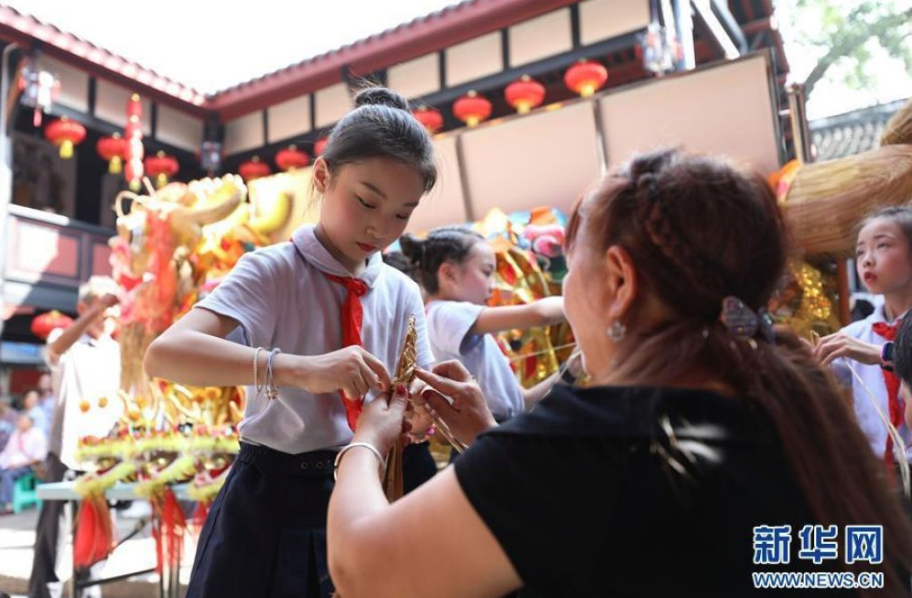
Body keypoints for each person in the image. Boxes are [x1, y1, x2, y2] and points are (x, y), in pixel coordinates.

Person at [328, 149, 912, 597]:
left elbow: (362, 569)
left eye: (570, 266)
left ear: (619, 280)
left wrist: (366, 441)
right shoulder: (786, 398)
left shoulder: (594, 437)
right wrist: (494, 443)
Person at [144, 86, 438, 598]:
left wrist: (419, 412)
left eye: (401, 213)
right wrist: (300, 369)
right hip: (267, 499)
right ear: (322, 176)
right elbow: (164, 354)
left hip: (364, 491)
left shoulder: (402, 291)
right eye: (366, 201)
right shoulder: (273, 270)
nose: (380, 227)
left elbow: (413, 401)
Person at [399, 227, 566, 422]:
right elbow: (539, 314)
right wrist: (584, 300)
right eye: (486, 272)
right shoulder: (444, 313)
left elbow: (523, 401)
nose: (493, 284)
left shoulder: (451, 320)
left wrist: (569, 371)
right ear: (449, 274)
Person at [29, 276, 121, 598]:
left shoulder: (116, 351)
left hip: (101, 459)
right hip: (66, 450)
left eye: (111, 308)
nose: (109, 313)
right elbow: (55, 349)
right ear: (84, 307)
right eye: (101, 307)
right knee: (52, 539)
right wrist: (93, 311)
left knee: (93, 542)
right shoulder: (67, 340)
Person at [815, 207, 912, 466]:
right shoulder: (855, 335)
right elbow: (817, 378)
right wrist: (805, 359)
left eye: (882, 245)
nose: (867, 260)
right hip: (877, 471)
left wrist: (880, 354)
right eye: (860, 251)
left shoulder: (858, 344)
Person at [0, 413, 47, 513]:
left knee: (8, 475)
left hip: (29, 465)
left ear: (30, 423)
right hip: (10, 463)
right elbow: (8, 452)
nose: (19, 423)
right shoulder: (16, 434)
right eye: (19, 421)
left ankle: (8, 504)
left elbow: (39, 457)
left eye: (22, 421)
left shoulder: (37, 434)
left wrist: (18, 464)